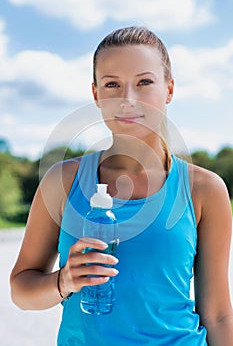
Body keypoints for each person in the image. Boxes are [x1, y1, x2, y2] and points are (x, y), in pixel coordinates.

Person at [10, 26, 233, 345]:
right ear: (96, 95)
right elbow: (21, 290)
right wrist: (65, 280)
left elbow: (219, 315)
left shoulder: (204, 189)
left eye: (144, 82)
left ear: (169, 89)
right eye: (112, 84)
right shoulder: (62, 181)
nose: (128, 100)